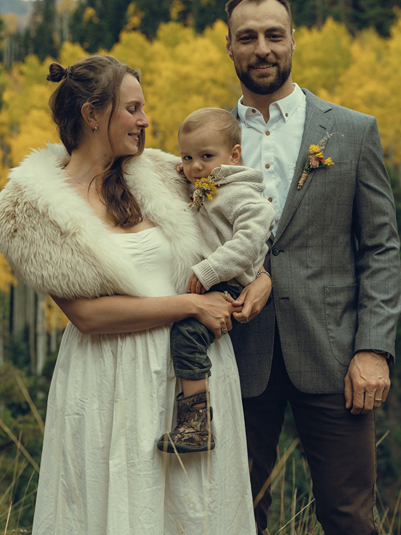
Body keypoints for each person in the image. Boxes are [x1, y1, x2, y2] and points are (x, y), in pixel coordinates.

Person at [0, 55, 259, 534]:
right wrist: (192, 304)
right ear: (94, 114)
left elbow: (245, 221)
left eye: (143, 108)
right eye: (132, 108)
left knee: (197, 514)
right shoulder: (31, 206)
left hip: (191, 378)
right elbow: (88, 317)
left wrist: (263, 280)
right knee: (113, 509)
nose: (145, 120)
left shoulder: (164, 173)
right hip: (108, 381)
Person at [222, 1, 401, 534]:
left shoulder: (351, 130)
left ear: (293, 40)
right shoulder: (204, 140)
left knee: (348, 517)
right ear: (228, 46)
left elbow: (381, 248)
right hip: (234, 353)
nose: (262, 49)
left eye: (274, 35)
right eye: (248, 37)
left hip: (335, 355)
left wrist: (373, 348)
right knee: (234, 517)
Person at [157, 107, 275, 454]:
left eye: (206, 157)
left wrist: (209, 270)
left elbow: (250, 242)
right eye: (187, 157)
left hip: (230, 285)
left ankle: (196, 426)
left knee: (188, 336)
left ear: (234, 155)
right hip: (215, 282)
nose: (195, 167)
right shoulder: (208, 186)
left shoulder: (242, 195)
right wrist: (186, 172)